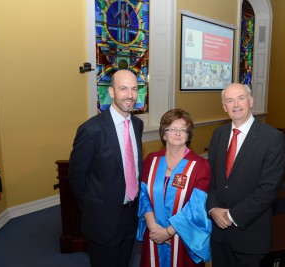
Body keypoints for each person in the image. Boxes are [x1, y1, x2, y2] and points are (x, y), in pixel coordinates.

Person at [68, 69, 143, 267]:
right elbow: (76, 178)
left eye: (134, 89)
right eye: (123, 89)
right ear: (111, 92)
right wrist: (95, 207)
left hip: (131, 214)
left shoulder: (137, 124)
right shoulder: (91, 130)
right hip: (103, 219)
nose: (130, 95)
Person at [207, 83, 285, 266]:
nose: (236, 104)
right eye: (230, 100)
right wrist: (213, 209)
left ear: (250, 101)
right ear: (224, 107)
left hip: (250, 235)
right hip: (219, 235)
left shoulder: (272, 138)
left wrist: (231, 216)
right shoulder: (218, 134)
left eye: (241, 98)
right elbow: (210, 179)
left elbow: (268, 189)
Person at [137, 108, 211, 267]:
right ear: (164, 134)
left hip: (183, 237)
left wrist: (168, 232)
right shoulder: (151, 160)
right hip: (154, 234)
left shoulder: (199, 165)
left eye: (183, 129)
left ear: (188, 135)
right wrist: (153, 227)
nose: (178, 133)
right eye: (172, 129)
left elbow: (196, 207)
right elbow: (143, 196)